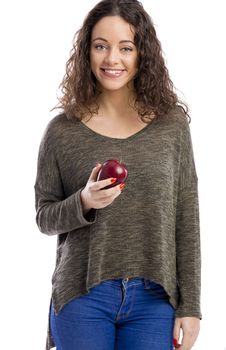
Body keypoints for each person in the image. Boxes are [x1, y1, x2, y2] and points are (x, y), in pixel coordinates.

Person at [34, 0, 202, 349]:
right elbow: (44, 217)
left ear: (142, 54)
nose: (112, 59)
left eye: (126, 47)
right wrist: (83, 201)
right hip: (82, 295)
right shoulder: (62, 132)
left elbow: (187, 217)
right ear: (87, 52)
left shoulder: (171, 127)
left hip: (155, 299)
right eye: (101, 46)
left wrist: (192, 306)